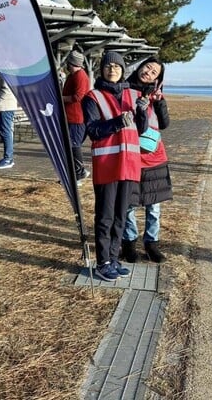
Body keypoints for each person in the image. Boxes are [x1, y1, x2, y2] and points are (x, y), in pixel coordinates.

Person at [83, 51, 149, 282]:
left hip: (129, 165)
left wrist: (142, 112)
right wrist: (117, 122)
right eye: (108, 66)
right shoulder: (93, 97)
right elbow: (93, 131)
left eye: (117, 66)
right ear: (102, 70)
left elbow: (141, 129)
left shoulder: (134, 95)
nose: (112, 70)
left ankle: (113, 258)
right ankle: (103, 262)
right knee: (105, 217)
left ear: (123, 70)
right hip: (107, 165)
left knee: (121, 216)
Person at [122, 57, 172, 263]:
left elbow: (165, 124)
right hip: (130, 155)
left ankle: (152, 244)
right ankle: (129, 242)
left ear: (157, 79)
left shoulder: (156, 95)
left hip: (154, 157)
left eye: (154, 73)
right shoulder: (123, 90)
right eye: (147, 67)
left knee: (154, 205)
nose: (148, 73)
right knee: (129, 203)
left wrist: (159, 102)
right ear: (140, 67)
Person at [62, 50, 91, 184]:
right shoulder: (72, 76)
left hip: (77, 118)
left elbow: (78, 96)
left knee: (74, 146)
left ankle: (79, 173)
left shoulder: (80, 76)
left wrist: (61, 98)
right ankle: (75, 173)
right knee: (71, 146)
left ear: (71, 63)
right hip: (70, 117)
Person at [0, 73, 18, 169]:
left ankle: (8, 158)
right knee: (5, 132)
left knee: (6, 132)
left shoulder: (7, 74)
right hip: (5, 106)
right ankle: (8, 158)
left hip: (5, 106)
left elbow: (5, 89)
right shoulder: (7, 74)